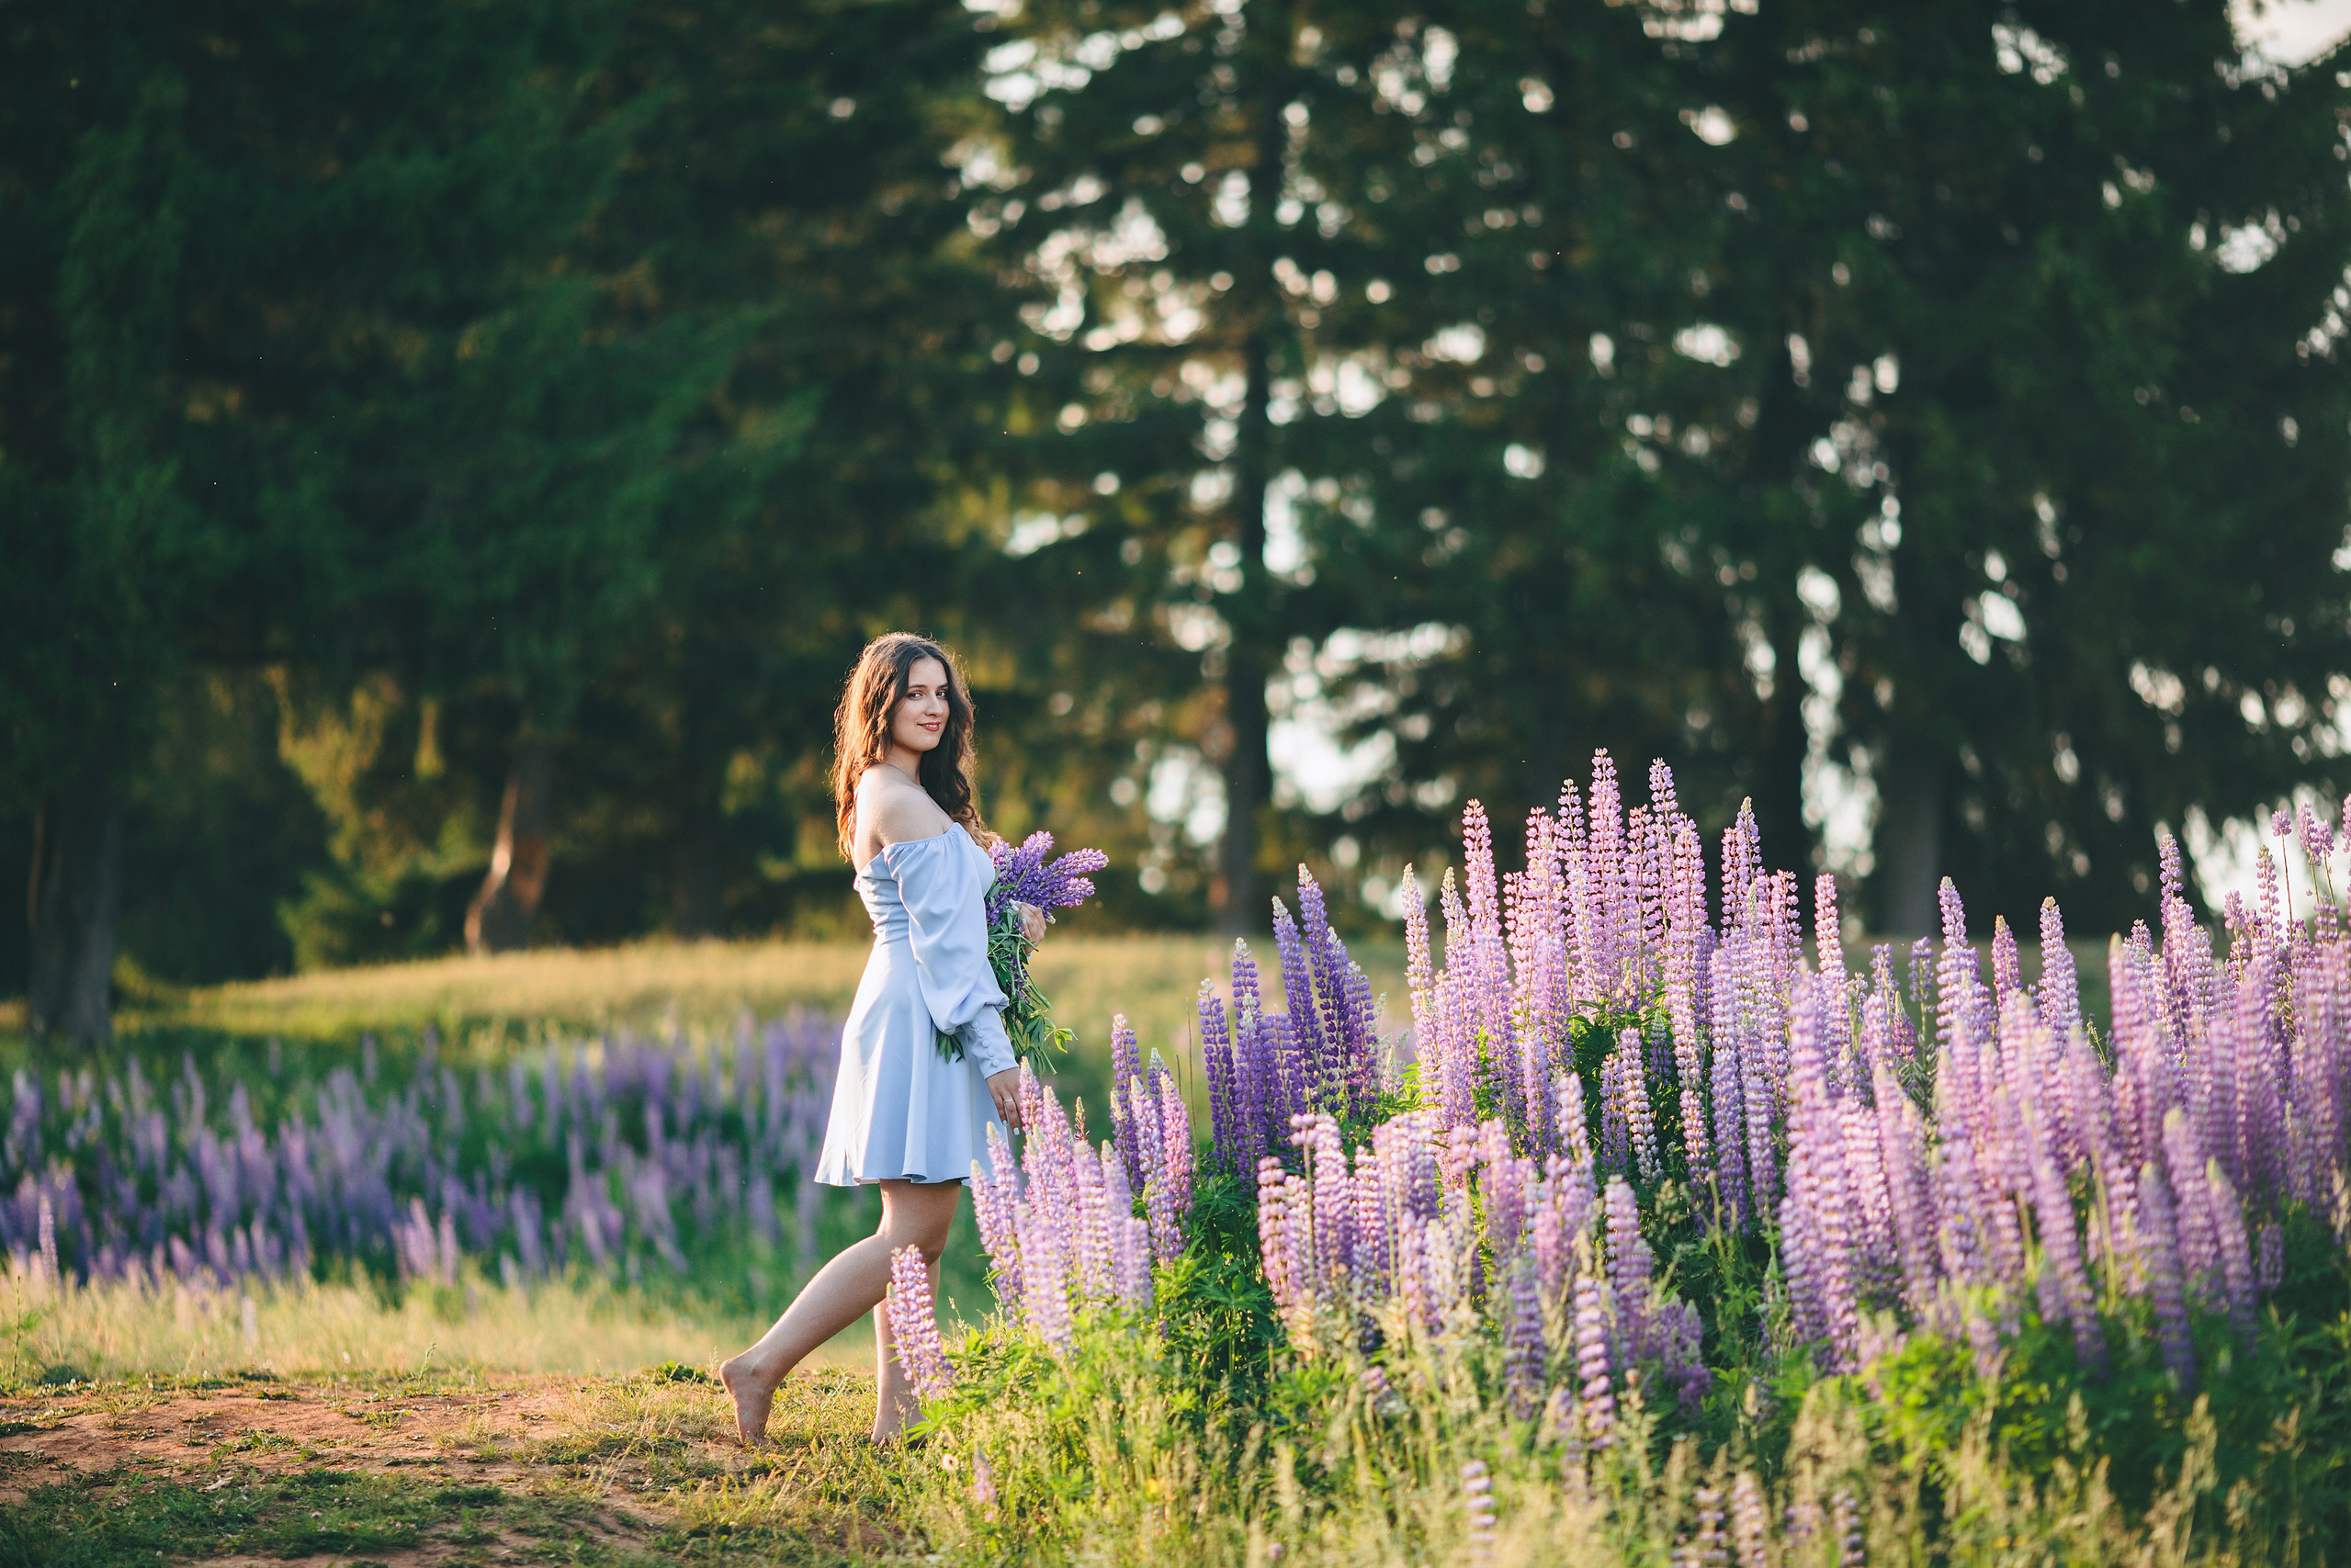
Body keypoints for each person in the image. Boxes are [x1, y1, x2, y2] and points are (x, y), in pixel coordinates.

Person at [720, 633, 1041, 1445]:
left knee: (918, 1241)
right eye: (914, 693)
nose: (933, 706)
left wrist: (1016, 921)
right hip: (920, 1015)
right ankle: (759, 1364)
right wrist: (997, 1058)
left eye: (942, 693)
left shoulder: (906, 795)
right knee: (914, 1233)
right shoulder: (895, 799)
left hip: (914, 1006)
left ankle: (897, 1420)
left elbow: (962, 927)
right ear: (880, 704)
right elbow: (948, 950)